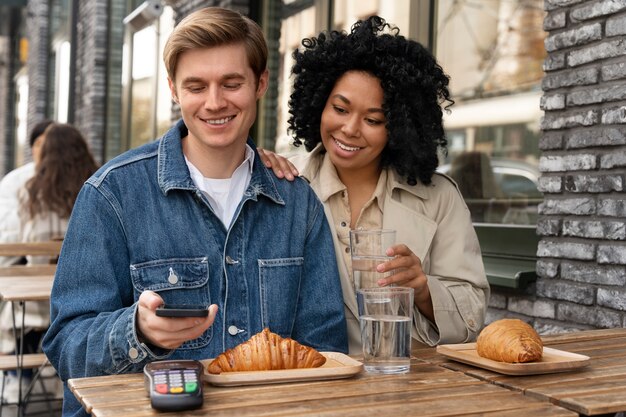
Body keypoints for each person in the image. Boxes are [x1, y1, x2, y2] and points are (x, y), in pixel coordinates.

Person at [42, 7, 347, 416]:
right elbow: (66, 347)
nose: (215, 102)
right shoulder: (112, 194)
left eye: (231, 83)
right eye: (196, 86)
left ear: (261, 83)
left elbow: (324, 350)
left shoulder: (297, 203)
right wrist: (136, 331)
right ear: (173, 89)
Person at [259, 16, 490, 353]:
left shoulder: (439, 197)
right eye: (340, 108)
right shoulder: (282, 183)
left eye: (373, 120)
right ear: (319, 103)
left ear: (398, 126)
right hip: (312, 387)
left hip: (411, 389)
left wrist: (424, 290)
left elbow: (473, 316)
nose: (351, 129)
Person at [0, 122, 98, 401]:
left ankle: (19, 381)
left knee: (14, 313)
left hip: (35, 309)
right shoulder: (94, 190)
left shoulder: (31, 194)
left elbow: (23, 245)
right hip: (83, 301)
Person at [0, 119, 53, 266]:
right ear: (31, 149)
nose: (44, 149)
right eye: (39, 143)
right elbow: (6, 226)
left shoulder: (78, 179)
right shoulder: (15, 180)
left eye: (50, 144)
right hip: (20, 259)